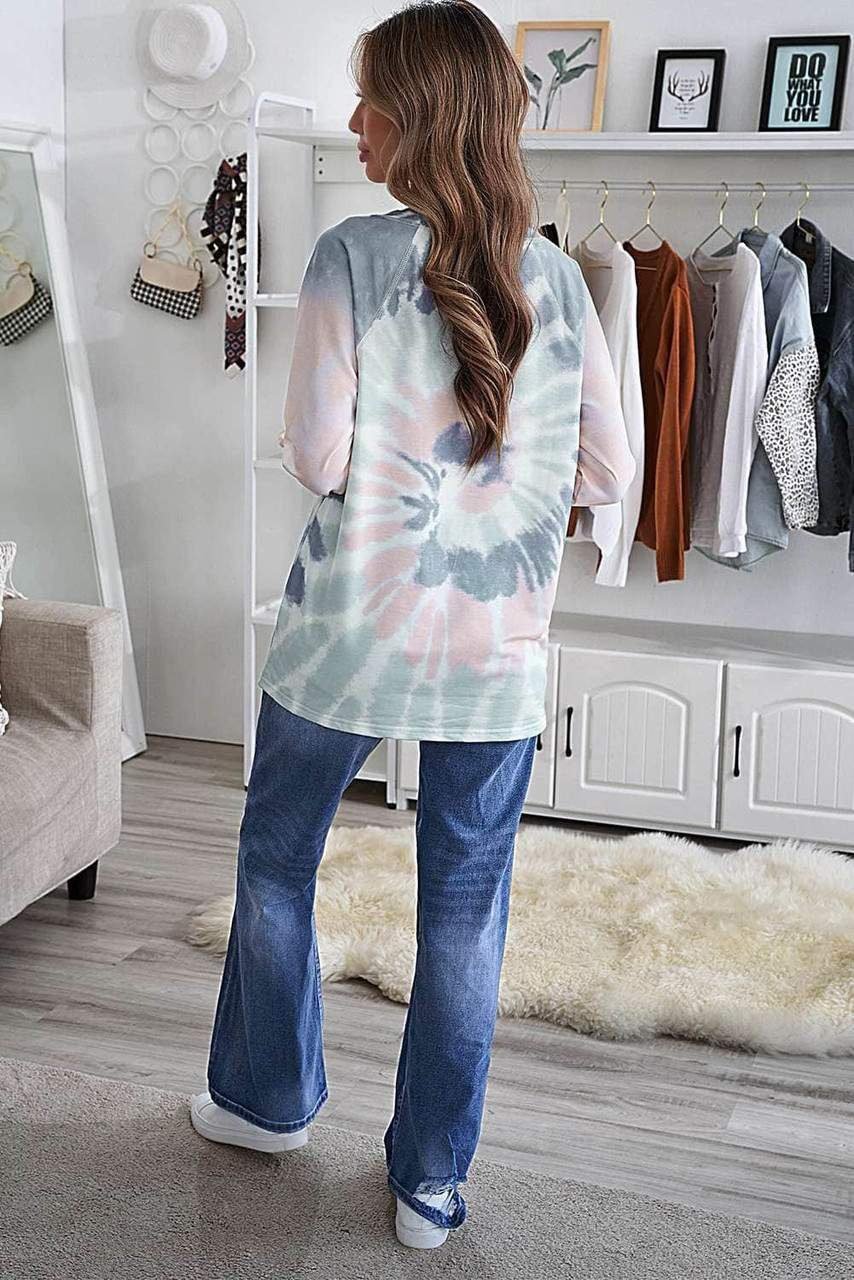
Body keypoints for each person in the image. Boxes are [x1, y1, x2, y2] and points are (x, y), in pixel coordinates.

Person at [190, 0, 635, 1253]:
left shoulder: (347, 254)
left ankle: (266, 1102)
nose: (353, 122)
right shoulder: (556, 277)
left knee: (278, 864)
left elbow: (314, 454)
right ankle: (430, 1183)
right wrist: (500, 482)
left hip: (342, 636)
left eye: (369, 99)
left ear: (421, 117)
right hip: (493, 659)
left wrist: (396, 463)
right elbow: (606, 470)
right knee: (463, 910)